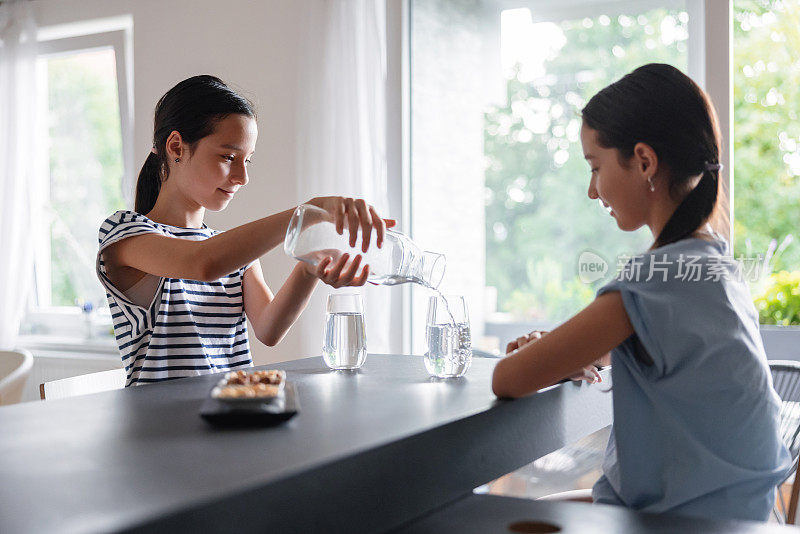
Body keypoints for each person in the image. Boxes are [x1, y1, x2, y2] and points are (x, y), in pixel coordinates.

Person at [491, 63, 791, 522]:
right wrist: (572, 351)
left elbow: (507, 379)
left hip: (692, 524)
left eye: (596, 167)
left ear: (645, 162)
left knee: (497, 519)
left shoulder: (657, 277)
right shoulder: (712, 261)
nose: (593, 191)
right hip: (743, 516)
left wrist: (551, 353)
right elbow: (665, 350)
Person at [97, 75, 392, 386]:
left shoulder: (227, 250)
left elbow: (269, 330)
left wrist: (309, 269)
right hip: (162, 429)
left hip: (233, 417)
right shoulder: (124, 232)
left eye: (247, 160)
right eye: (228, 157)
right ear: (176, 147)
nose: (242, 177)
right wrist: (306, 213)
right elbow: (202, 264)